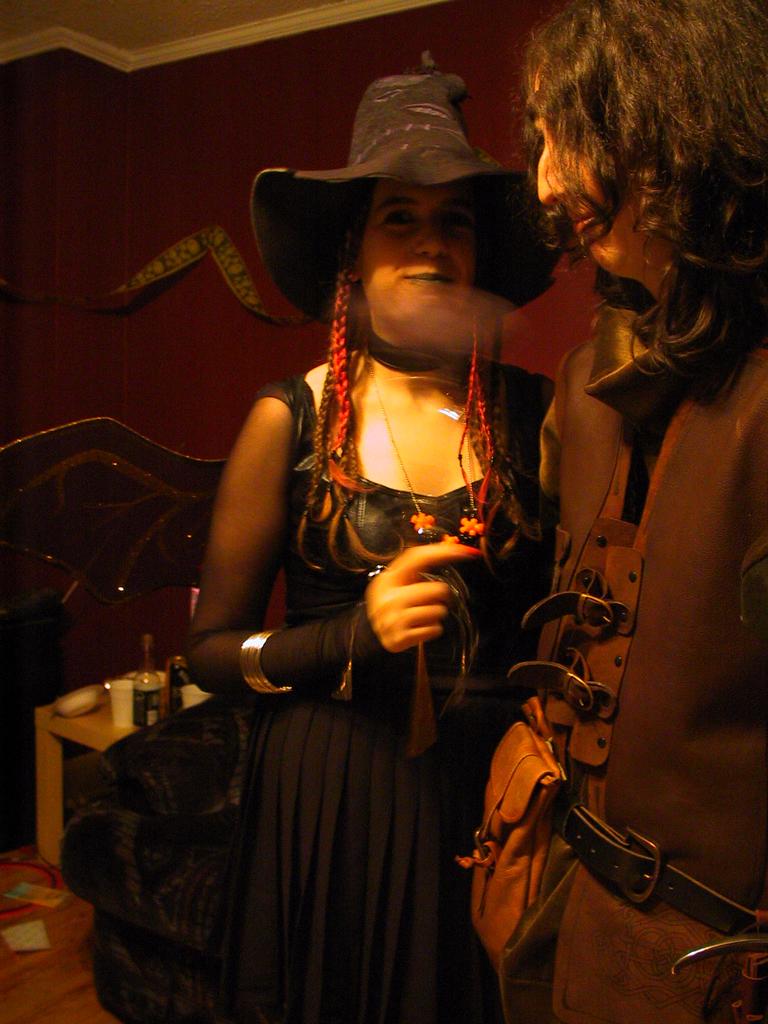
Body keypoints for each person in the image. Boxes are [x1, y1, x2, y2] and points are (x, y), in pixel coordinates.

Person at [186, 58, 557, 1024]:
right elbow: (210, 654)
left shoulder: (538, 417)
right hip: (335, 790)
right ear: (354, 251)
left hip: (496, 793)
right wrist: (355, 634)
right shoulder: (292, 420)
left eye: (454, 220)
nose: (431, 241)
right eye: (401, 216)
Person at [500, 1, 768, 1022]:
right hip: (576, 913)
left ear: (681, 119)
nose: (546, 181)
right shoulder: (587, 385)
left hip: (721, 964)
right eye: (540, 142)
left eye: (569, 132)